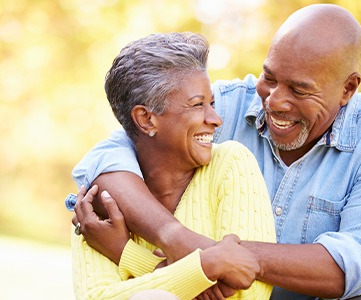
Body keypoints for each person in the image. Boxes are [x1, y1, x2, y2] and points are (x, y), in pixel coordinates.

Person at [68, 3, 361, 299]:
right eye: (270, 77)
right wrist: (176, 239)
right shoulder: (223, 105)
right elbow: (108, 159)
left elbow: (359, 262)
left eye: (299, 90)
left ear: (348, 89)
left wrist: (218, 259)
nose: (275, 101)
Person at [67, 32, 276, 299]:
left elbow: (247, 293)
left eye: (211, 103)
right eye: (197, 104)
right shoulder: (100, 202)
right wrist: (206, 267)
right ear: (146, 119)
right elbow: (97, 297)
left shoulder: (232, 163)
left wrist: (127, 254)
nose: (215, 119)